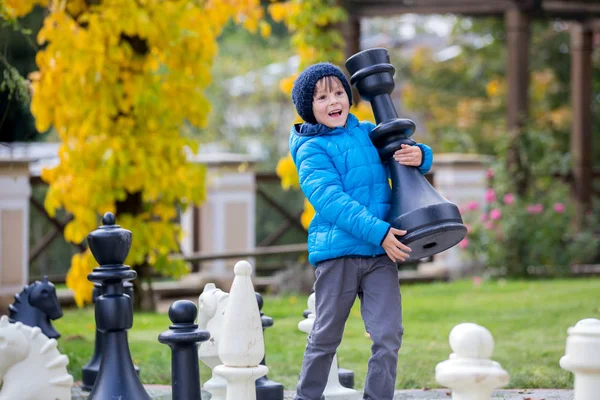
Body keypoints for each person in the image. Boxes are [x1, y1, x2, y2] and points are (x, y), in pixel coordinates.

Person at [289, 62, 433, 400]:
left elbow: (406, 152)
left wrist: (420, 155)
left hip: (379, 255)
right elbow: (331, 200)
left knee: (388, 335)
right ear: (308, 108)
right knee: (325, 336)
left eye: (339, 92)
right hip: (338, 254)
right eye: (322, 97)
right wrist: (379, 232)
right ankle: (306, 397)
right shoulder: (311, 150)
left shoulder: (368, 132)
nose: (334, 101)